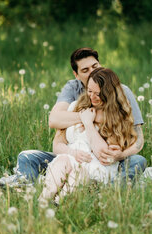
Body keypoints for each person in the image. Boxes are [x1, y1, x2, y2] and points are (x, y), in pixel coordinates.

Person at [0, 47, 146, 187]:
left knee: (137, 161)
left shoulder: (121, 91)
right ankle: (23, 183)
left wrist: (120, 155)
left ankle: (109, 191)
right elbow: (54, 120)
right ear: (76, 75)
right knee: (28, 156)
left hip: (107, 160)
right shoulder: (73, 90)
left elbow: (138, 138)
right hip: (74, 157)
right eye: (85, 70)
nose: (93, 72)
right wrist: (88, 118)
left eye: (95, 66)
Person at [39, 68, 138, 203]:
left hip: (96, 168)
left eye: (98, 94)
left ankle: (59, 204)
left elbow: (104, 155)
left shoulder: (116, 118)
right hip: (71, 158)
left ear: (109, 93)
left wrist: (89, 123)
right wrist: (72, 152)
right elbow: (57, 145)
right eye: (89, 91)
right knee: (62, 161)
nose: (92, 97)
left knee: (79, 172)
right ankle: (42, 202)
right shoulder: (76, 107)